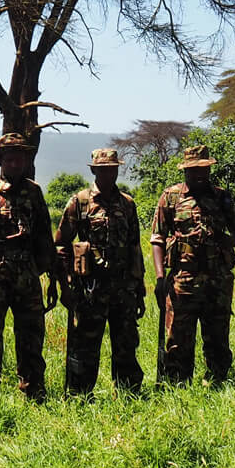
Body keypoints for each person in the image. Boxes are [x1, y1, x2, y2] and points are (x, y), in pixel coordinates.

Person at [0, 133, 63, 411]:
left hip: (28, 280)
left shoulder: (34, 192)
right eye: (9, 158)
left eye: (20, 157)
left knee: (31, 339)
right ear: (1, 161)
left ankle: (34, 397)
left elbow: (45, 238)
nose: (15, 162)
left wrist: (52, 278)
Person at [150, 144, 235, 385]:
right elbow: (157, 238)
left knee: (217, 332)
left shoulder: (222, 196)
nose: (199, 174)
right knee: (179, 336)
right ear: (185, 170)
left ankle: (217, 379)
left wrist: (228, 242)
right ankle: (178, 384)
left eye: (203, 169)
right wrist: (160, 276)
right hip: (183, 278)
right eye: (193, 170)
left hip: (217, 278)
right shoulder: (171, 196)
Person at [54, 148, 145, 396]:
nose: (108, 174)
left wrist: (139, 287)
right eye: (102, 170)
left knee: (126, 343)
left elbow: (135, 246)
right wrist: (65, 284)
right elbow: (61, 244)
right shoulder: (79, 202)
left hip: (123, 287)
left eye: (112, 169)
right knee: (85, 345)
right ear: (93, 170)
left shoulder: (127, 203)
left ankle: (129, 394)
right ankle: (80, 395)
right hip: (90, 289)